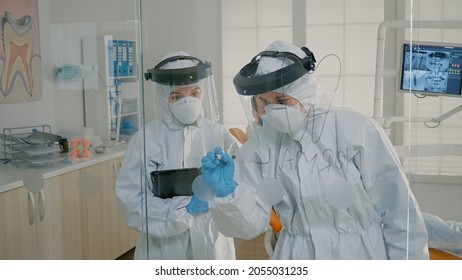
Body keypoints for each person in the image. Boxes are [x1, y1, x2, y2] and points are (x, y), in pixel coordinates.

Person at [200, 40, 429, 259]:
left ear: (304, 93)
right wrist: (227, 194)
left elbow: (398, 212)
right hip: (295, 255)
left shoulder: (355, 129)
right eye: (266, 103)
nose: (274, 110)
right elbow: (250, 225)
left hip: (359, 255)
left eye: (281, 100)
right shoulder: (262, 146)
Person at [115, 51, 238, 260]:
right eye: (177, 96)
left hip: (213, 240)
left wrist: (228, 191)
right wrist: (183, 210)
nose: (187, 102)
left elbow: (243, 188)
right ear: (164, 99)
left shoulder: (218, 133)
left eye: (194, 93)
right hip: (164, 247)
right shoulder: (146, 139)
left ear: (202, 93)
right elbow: (131, 199)